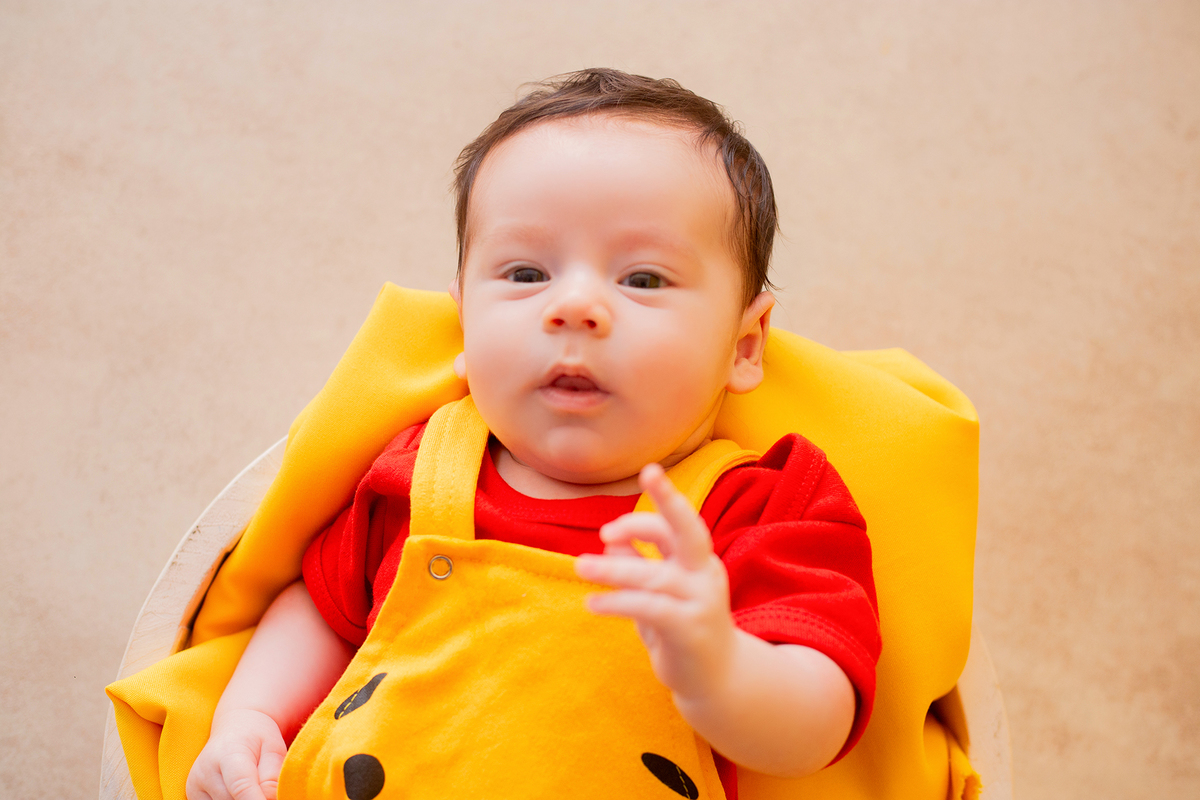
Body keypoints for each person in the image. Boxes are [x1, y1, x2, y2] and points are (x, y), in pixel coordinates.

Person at [185, 68, 881, 800]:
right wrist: (248, 717)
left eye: (643, 279)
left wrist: (719, 665)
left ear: (744, 346)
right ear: (464, 324)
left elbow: (819, 727)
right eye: (525, 273)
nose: (575, 306)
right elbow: (328, 609)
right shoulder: (421, 469)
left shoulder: (757, 508)